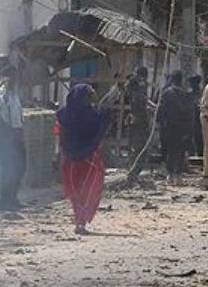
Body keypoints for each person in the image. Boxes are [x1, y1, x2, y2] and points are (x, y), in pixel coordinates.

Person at [57, 83, 113, 235]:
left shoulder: (63, 114)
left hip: (70, 158)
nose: (91, 99)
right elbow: (102, 125)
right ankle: (81, 222)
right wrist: (108, 111)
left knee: (77, 193)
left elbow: (60, 135)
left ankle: (79, 222)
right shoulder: (93, 115)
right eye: (89, 96)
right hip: (88, 158)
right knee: (88, 190)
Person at [0, 66, 26, 211]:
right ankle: (5, 202)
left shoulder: (15, 93)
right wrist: (10, 132)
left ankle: (13, 198)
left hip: (17, 134)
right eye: (13, 76)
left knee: (20, 168)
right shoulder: (0, 93)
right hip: (6, 136)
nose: (16, 79)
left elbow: (17, 115)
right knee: (9, 169)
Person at [156, 71, 193, 185]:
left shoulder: (167, 93)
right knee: (180, 151)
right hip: (182, 127)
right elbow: (190, 112)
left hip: (169, 126)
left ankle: (170, 175)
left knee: (170, 150)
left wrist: (159, 122)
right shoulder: (186, 94)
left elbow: (161, 110)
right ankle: (178, 175)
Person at [125, 66, 154, 183]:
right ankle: (133, 173)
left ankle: (132, 172)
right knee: (140, 148)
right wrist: (151, 106)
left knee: (136, 147)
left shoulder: (132, 87)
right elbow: (142, 98)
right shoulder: (139, 85)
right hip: (140, 121)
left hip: (135, 119)